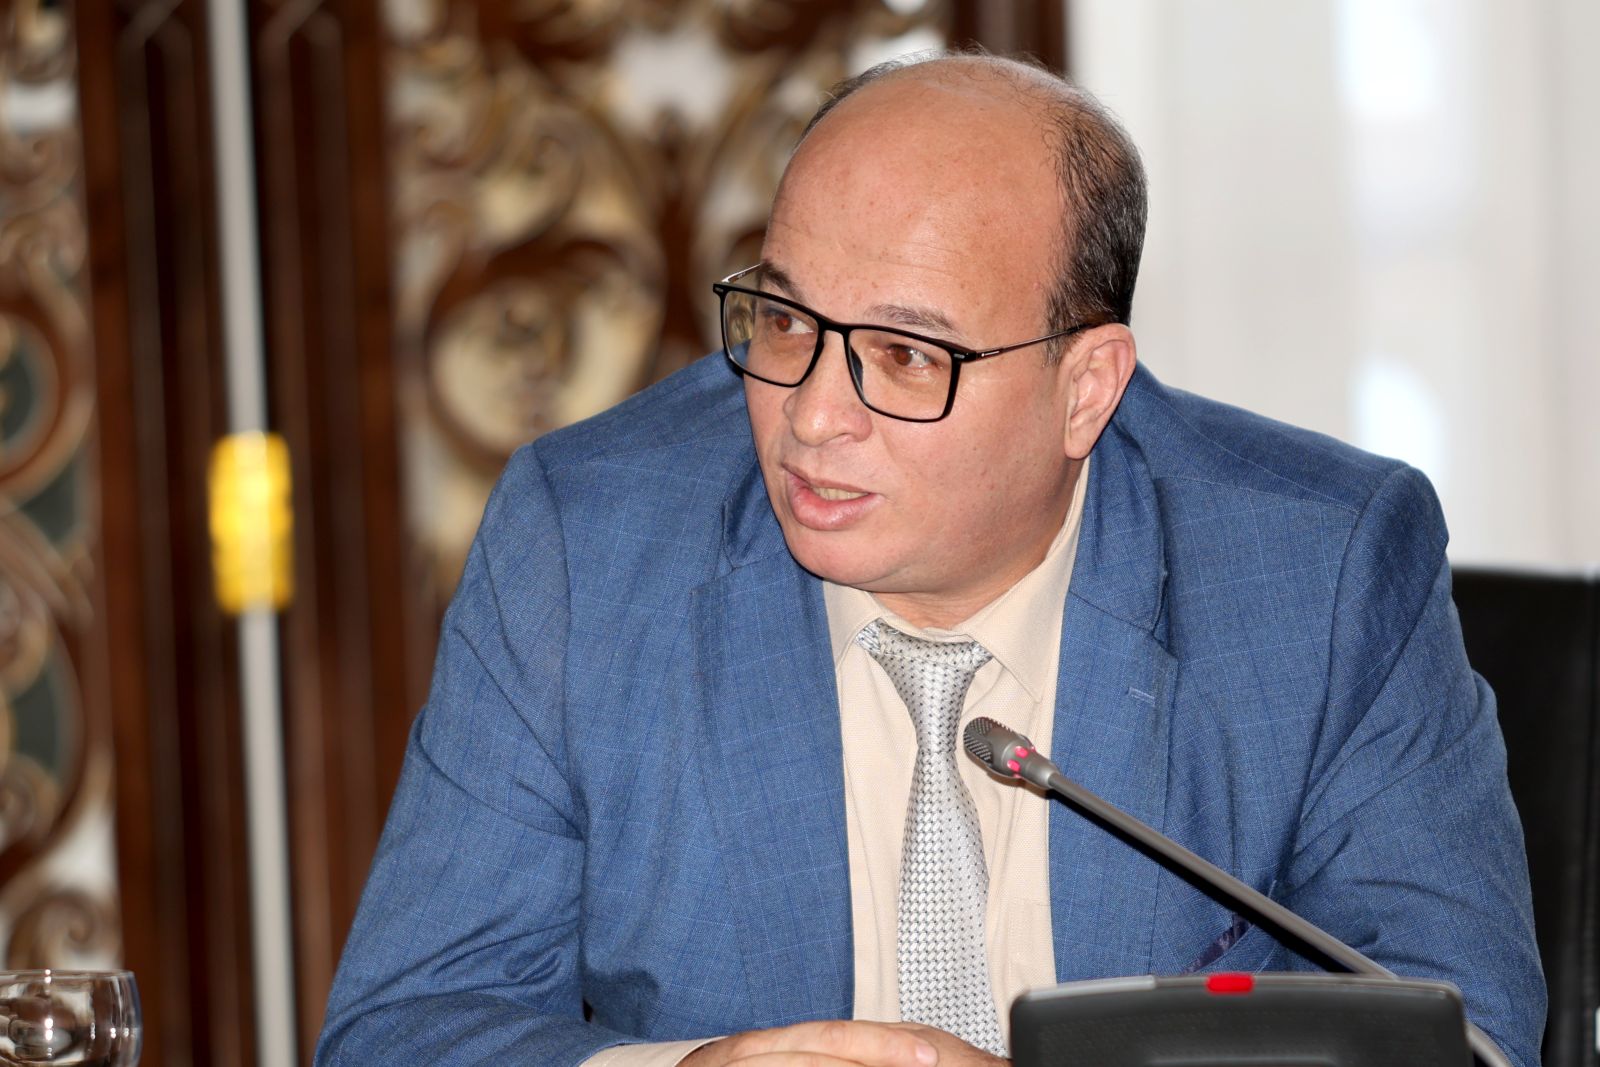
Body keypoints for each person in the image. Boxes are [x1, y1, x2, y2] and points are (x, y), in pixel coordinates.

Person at [315, 53, 1544, 1067]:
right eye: (784, 318)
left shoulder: (1319, 570)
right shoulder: (589, 541)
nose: (811, 414)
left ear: (1084, 388)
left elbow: (1466, 1038)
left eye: (905, 355)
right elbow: (403, 1028)